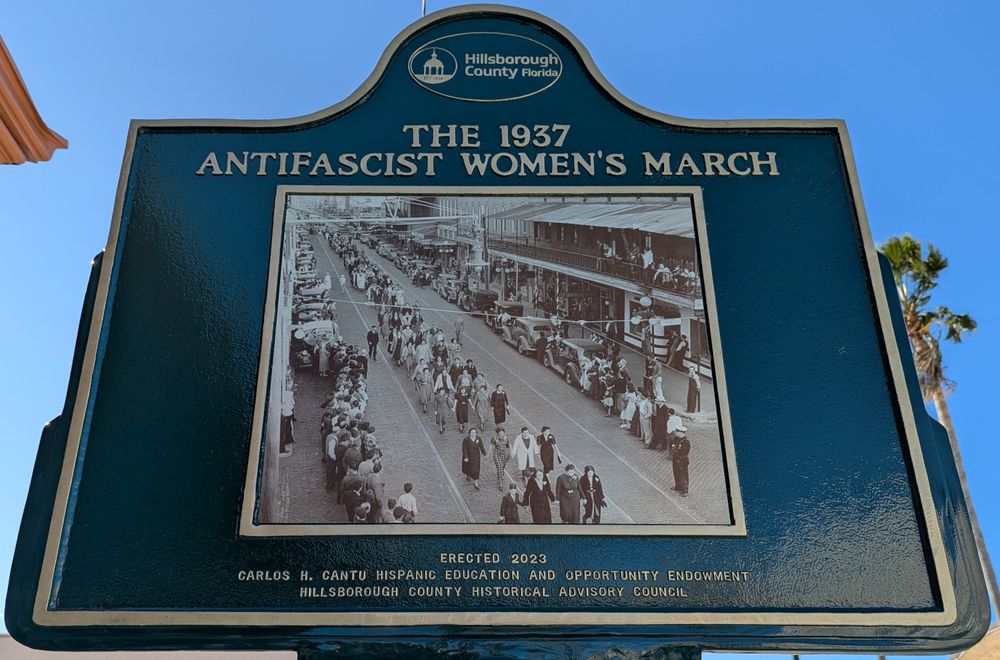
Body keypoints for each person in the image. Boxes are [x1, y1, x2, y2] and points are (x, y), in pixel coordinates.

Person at [668, 426, 690, 497]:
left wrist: (675, 448)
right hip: (676, 458)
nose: (675, 433)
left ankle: (684, 490)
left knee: (683, 475)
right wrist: (674, 448)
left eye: (677, 431)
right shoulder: (676, 439)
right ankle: (678, 486)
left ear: (681, 433)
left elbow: (683, 451)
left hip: (682, 460)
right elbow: (671, 445)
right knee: (676, 473)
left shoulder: (686, 442)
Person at [490, 427, 512, 491]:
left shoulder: (506, 437)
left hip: (504, 454)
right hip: (496, 453)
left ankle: (501, 473)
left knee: (502, 467)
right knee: (499, 467)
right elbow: (491, 445)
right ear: (498, 433)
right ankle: (500, 483)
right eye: (500, 433)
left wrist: (511, 452)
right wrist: (488, 454)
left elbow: (509, 444)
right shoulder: (494, 437)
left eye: (502, 432)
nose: (501, 434)